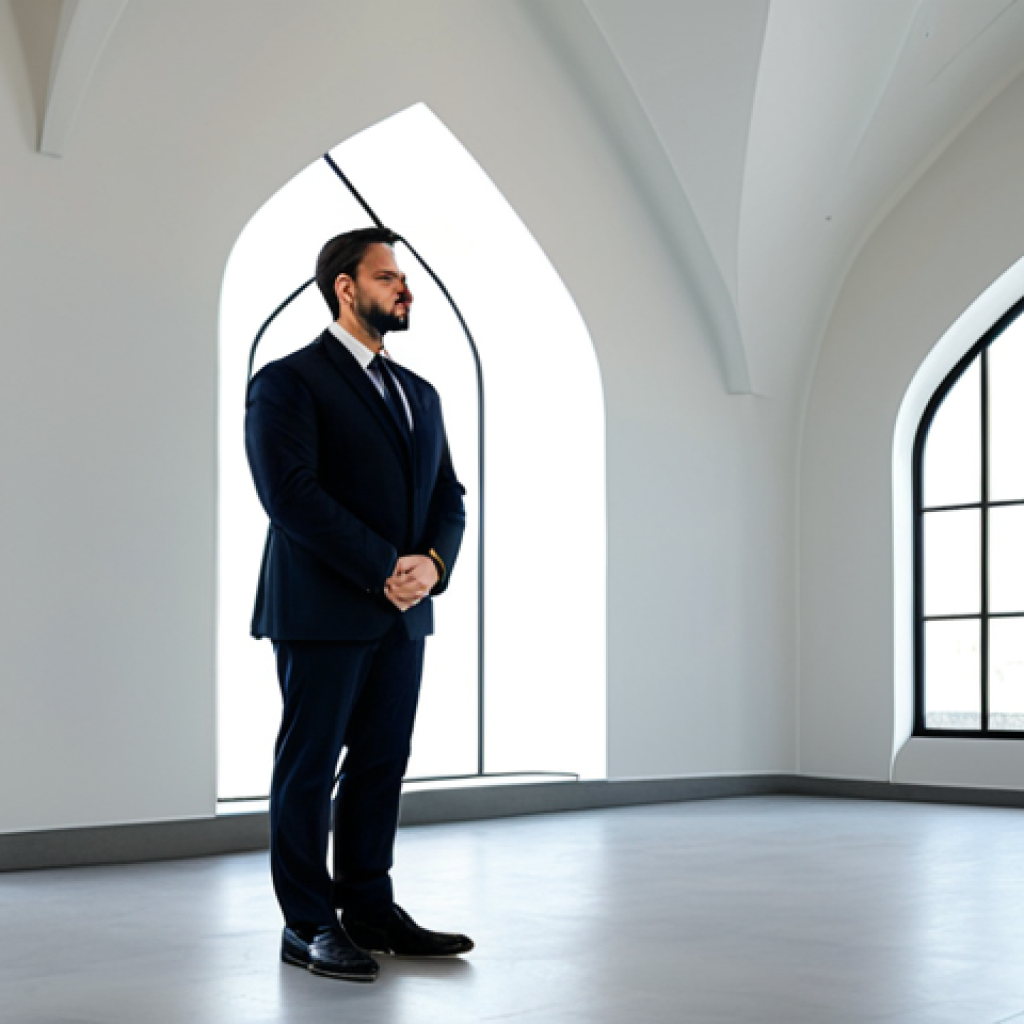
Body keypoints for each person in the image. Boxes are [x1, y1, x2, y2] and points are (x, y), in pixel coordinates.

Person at [245, 226, 472, 982]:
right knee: (309, 767)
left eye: (402, 278)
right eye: (387, 277)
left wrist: (431, 566)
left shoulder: (420, 393)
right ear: (345, 287)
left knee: (382, 761)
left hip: (404, 613)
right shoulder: (288, 381)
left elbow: (449, 497)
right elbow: (290, 496)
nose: (404, 288)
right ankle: (308, 923)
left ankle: (370, 910)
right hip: (321, 609)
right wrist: (383, 568)